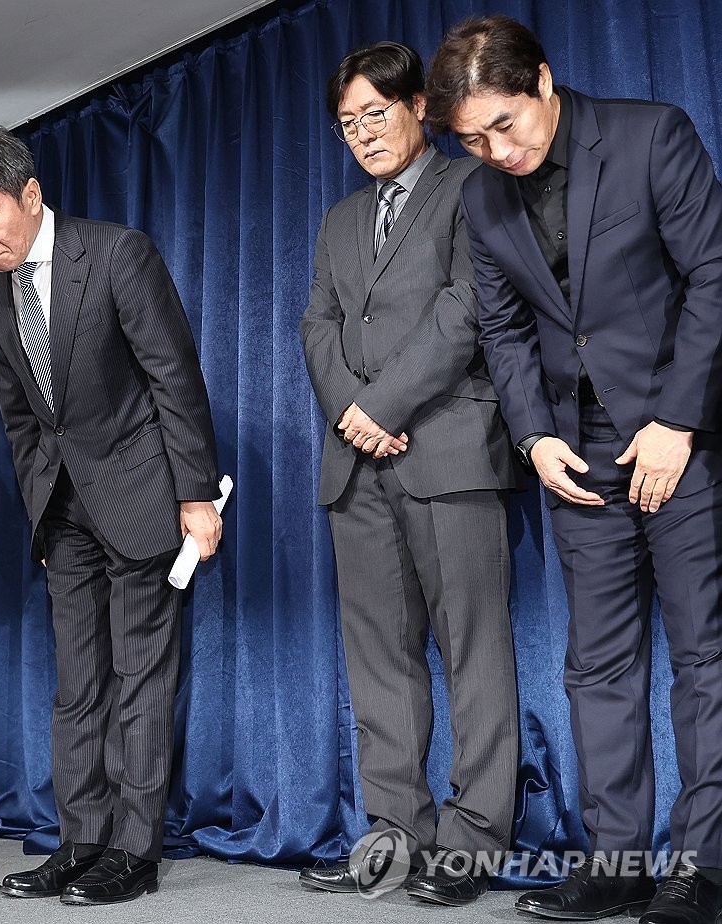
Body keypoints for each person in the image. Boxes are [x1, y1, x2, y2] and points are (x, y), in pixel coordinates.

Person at [428, 15, 722, 924]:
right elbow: (508, 329)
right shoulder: (480, 196)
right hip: (575, 453)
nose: (492, 151)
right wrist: (532, 436)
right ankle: (619, 863)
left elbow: (713, 275)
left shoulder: (649, 133)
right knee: (596, 666)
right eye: (471, 139)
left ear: (544, 84)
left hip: (680, 439)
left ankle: (705, 871)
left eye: (503, 126)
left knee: (705, 656)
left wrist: (678, 419)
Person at [0, 124, 222, 906]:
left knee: (140, 679)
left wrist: (195, 496)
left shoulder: (119, 253)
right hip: (62, 512)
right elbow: (19, 414)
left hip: (142, 496)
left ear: (29, 194)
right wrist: (39, 511)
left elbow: (174, 381)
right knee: (76, 686)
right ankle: (80, 840)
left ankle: (134, 850)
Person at [298, 42, 520, 907]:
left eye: (375, 114)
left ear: (419, 107)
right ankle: (394, 834)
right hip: (354, 468)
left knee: (475, 655)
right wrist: (354, 414)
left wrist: (381, 406)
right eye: (347, 123)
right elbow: (315, 324)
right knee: (378, 662)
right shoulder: (338, 220)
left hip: (450, 450)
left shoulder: (473, 187)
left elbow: (468, 309)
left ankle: (472, 842)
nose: (360, 134)